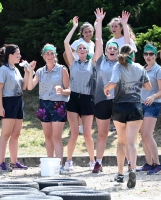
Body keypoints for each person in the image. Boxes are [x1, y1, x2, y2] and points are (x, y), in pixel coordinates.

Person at [104, 44, 151, 188]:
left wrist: (106, 88)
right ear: (133, 55)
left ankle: (119, 174)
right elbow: (148, 86)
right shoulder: (140, 68)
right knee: (132, 142)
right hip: (135, 107)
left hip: (119, 107)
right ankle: (132, 169)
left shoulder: (118, 66)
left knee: (121, 142)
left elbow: (113, 83)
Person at [91, 8, 130, 173]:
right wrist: (99, 22)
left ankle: (129, 162)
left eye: (115, 49)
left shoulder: (122, 62)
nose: (112, 50)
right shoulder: (100, 61)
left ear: (118, 51)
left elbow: (127, 44)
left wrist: (125, 26)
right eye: (109, 49)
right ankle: (98, 162)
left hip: (119, 101)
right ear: (106, 51)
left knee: (123, 136)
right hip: (101, 100)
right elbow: (98, 40)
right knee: (102, 134)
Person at [27, 44, 70, 174]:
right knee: (48, 136)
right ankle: (50, 164)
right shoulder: (40, 71)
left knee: (56, 137)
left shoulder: (62, 69)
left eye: (52, 54)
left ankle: (59, 165)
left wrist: (63, 91)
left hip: (58, 105)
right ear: (43, 56)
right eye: (47, 54)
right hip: (44, 104)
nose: (50, 56)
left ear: (55, 55)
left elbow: (69, 90)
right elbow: (30, 87)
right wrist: (29, 72)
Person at [64, 16, 96, 171]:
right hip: (74, 98)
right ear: (76, 51)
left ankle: (92, 161)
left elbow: (101, 45)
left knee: (88, 134)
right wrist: (74, 27)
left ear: (88, 51)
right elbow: (65, 43)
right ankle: (68, 161)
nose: (82, 50)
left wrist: (98, 23)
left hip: (87, 98)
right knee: (74, 133)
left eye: (85, 48)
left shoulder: (93, 63)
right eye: (80, 48)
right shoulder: (72, 63)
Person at [0, 44, 32, 171]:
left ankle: (14, 162)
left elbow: (24, 87)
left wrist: (27, 73)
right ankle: (1, 163)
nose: (20, 56)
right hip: (8, 102)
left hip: (18, 101)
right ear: (10, 55)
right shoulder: (3, 70)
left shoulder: (16, 69)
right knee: (5, 134)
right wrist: (1, 107)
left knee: (15, 134)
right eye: (17, 54)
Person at [137, 43, 161, 175]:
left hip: (153, 104)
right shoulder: (141, 69)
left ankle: (158, 165)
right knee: (143, 136)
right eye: (146, 54)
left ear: (155, 56)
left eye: (151, 54)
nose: (148, 56)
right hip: (141, 104)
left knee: (148, 135)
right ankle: (149, 163)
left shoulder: (159, 70)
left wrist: (152, 97)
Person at [63, 22, 95, 135]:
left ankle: (83, 126)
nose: (88, 33)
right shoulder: (77, 42)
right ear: (82, 33)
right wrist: (72, 68)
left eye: (90, 31)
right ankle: (79, 126)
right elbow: (65, 52)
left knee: (86, 98)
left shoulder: (93, 44)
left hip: (88, 75)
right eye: (85, 32)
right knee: (76, 97)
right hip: (76, 72)